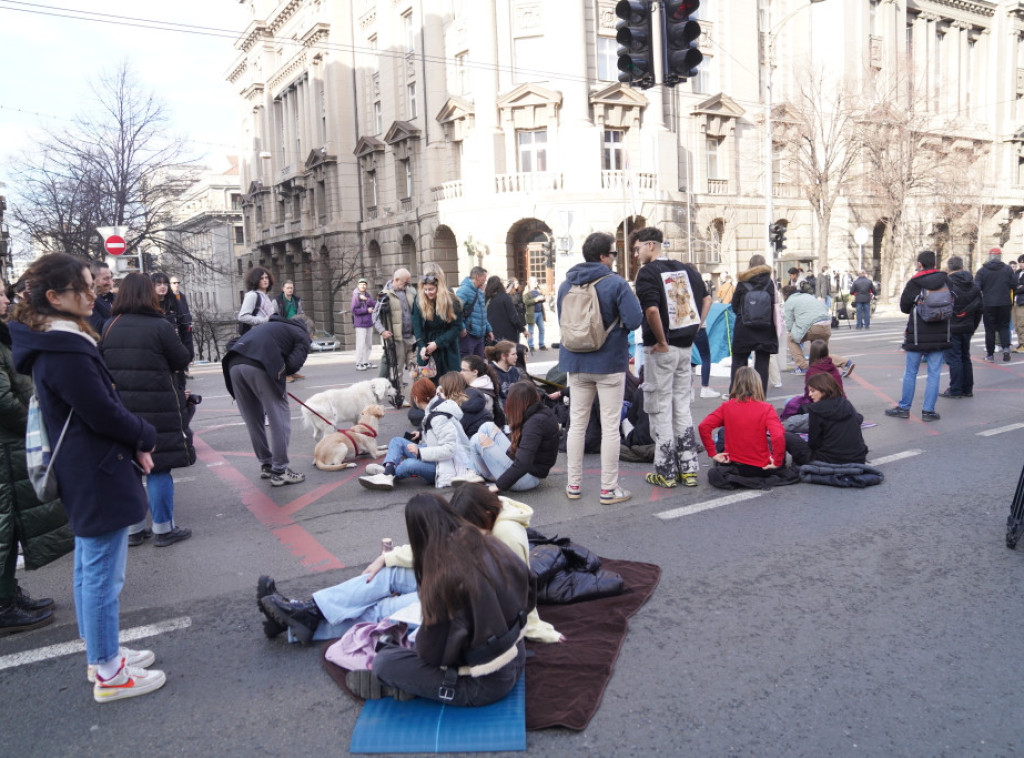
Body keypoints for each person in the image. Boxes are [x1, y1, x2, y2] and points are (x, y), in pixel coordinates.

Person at [10, 253, 166, 702]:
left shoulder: (55, 338)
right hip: (95, 468)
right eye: (84, 285)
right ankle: (108, 672)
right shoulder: (63, 346)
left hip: (87, 466)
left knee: (90, 568)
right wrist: (145, 435)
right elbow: (103, 410)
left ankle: (105, 655)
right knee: (101, 574)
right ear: (55, 297)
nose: (94, 290)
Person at [257, 484, 559, 646]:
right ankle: (306, 611)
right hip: (459, 580)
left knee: (384, 610)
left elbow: (520, 589)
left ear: (484, 517)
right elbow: (446, 550)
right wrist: (387, 557)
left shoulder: (506, 532)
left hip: (471, 601)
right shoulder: (489, 520)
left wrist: (533, 628)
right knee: (386, 575)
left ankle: (295, 625)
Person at [346, 493, 534, 705]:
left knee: (384, 662)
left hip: (487, 683)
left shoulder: (445, 576)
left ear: (418, 534)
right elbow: (529, 590)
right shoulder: (490, 541)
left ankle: (408, 684)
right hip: (518, 654)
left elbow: (432, 655)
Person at [0, 275, 73, 636]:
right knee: (3, 529)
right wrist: (34, 414)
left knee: (10, 528)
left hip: (9, 452)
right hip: (4, 449)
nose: (5, 300)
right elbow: (5, 403)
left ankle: (9, 597)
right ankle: (3, 607)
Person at [101, 273, 195, 548]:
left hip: (122, 406)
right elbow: (181, 359)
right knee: (159, 467)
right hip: (158, 406)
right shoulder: (160, 325)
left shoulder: (109, 325)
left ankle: (133, 529)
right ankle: (164, 528)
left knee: (130, 468)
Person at [557, 231, 643, 506]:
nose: (615, 259)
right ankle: (608, 489)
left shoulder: (565, 284)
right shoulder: (615, 283)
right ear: (604, 257)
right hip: (608, 363)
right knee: (609, 427)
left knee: (576, 426)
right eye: (614, 254)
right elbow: (634, 319)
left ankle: (573, 484)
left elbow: (563, 319)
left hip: (575, 362)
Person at [632, 225, 710, 489]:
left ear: (650, 245)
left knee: (660, 407)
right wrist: (696, 326)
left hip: (660, 348)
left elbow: (651, 310)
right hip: (685, 346)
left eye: (637, 247)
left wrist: (662, 340)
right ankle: (688, 468)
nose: (636, 254)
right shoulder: (687, 270)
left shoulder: (648, 273)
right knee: (682, 406)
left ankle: (665, 470)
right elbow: (707, 299)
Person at [222, 313, 314, 485]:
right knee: (279, 417)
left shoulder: (269, 326)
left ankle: (266, 464)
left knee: (253, 420)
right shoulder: (301, 333)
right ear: (310, 332)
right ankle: (279, 470)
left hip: (233, 364)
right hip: (260, 366)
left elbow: (231, 344)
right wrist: (277, 373)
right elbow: (293, 365)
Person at [358, 377, 474, 491]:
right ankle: (388, 472)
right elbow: (437, 436)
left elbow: (450, 450)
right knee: (397, 441)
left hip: (447, 467)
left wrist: (420, 452)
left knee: (409, 464)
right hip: (439, 458)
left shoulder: (439, 417)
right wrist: (421, 434)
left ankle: (388, 472)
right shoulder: (436, 407)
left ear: (416, 399)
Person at [885, 250, 950, 422]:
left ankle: (904, 408)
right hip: (940, 333)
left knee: (911, 372)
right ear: (934, 264)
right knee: (934, 373)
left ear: (919, 264)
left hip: (917, 333)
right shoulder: (945, 280)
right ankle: (928, 411)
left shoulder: (915, 282)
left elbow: (905, 307)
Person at [697, 366, 787, 487]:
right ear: (757, 384)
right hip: (760, 468)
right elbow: (778, 436)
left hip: (735, 465)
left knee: (723, 434)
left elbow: (704, 426)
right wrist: (777, 461)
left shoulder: (727, 407)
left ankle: (735, 479)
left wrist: (713, 453)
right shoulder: (766, 408)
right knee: (777, 449)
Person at [469, 381, 559, 492]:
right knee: (487, 427)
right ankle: (475, 472)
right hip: (530, 470)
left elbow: (523, 464)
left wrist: (497, 487)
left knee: (477, 439)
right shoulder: (541, 411)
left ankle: (479, 474)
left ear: (516, 403)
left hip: (527, 479)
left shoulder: (534, 424)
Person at [785, 373, 868, 467]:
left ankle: (778, 467)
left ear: (823, 390)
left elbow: (814, 443)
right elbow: (858, 419)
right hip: (858, 458)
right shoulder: (845, 403)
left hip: (828, 460)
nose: (810, 394)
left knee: (786, 436)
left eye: (812, 391)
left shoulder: (815, 409)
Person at [730, 254, 778, 396]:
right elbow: (773, 304)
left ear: (750, 265)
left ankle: (737, 395)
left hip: (744, 329)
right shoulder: (770, 283)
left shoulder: (742, 282)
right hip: (765, 329)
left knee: (739, 362)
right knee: (762, 365)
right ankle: (759, 396)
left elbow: (734, 306)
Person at [781, 285, 852, 376]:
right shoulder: (808, 296)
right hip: (826, 324)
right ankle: (845, 363)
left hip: (813, 326)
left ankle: (803, 367)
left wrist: (796, 331)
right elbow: (825, 308)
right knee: (820, 354)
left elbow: (789, 325)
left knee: (791, 338)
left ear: (785, 295)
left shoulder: (789, 302)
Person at [941, 256, 982, 399]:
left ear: (948, 269)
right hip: (968, 326)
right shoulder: (974, 284)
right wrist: (974, 327)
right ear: (963, 267)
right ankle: (968, 389)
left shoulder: (946, 284)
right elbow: (979, 308)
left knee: (954, 359)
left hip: (951, 327)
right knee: (966, 357)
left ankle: (956, 389)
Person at [373, 268, 417, 400]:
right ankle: (399, 396)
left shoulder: (410, 291)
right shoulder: (384, 294)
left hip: (411, 337)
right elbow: (375, 315)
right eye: (405, 282)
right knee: (397, 371)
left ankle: (417, 395)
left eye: (408, 282)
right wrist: (382, 331)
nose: (407, 285)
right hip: (396, 339)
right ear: (396, 280)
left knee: (415, 367)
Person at [411, 271, 463, 379]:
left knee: (451, 381)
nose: (427, 292)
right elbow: (417, 326)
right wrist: (421, 347)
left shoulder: (452, 301)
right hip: (427, 346)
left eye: (431, 289)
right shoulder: (419, 301)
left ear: (439, 288)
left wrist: (437, 343)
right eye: (425, 289)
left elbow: (457, 327)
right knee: (427, 383)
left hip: (447, 346)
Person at [150, 272, 195, 391]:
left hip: (175, 352)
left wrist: (187, 355)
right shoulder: (148, 305)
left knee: (179, 387)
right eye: (158, 284)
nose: (162, 286)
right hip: (157, 355)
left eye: (165, 283)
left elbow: (186, 329)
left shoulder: (174, 302)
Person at [974, 247, 1016, 363]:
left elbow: (976, 287)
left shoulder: (982, 271)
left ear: (989, 256)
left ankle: (990, 354)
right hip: (1005, 303)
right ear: (1000, 256)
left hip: (988, 303)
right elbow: (1014, 285)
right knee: (1004, 326)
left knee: (990, 329)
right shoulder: (1007, 270)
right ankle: (1006, 348)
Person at [456, 266, 492, 359]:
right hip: (468, 336)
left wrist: (488, 330)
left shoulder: (479, 292)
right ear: (477, 277)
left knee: (479, 364)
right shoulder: (463, 291)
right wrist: (462, 328)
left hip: (479, 336)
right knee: (467, 364)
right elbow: (455, 311)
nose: (485, 280)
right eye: (484, 277)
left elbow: (482, 314)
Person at [460, 354, 505, 428]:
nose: (461, 373)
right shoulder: (482, 387)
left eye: (464, 370)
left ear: (475, 372)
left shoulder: (479, 394)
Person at [485, 275, 524, 344]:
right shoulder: (504, 297)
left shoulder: (486, 298)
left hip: (491, 332)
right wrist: (522, 329)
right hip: (507, 333)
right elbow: (513, 316)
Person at [237, 266, 277, 334]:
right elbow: (242, 317)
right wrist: (264, 320)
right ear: (255, 280)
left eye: (266, 277)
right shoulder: (252, 295)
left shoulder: (268, 297)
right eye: (261, 278)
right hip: (257, 335)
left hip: (269, 333)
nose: (265, 280)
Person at [351, 278, 377, 371]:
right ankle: (359, 363)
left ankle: (365, 361)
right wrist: (367, 310)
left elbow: (374, 304)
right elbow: (354, 310)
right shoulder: (356, 296)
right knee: (360, 344)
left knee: (368, 344)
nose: (363, 286)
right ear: (358, 285)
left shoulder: (366, 295)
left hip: (369, 323)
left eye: (365, 284)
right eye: (361, 284)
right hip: (360, 324)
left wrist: (366, 299)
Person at [485, 340, 521, 406]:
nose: (516, 357)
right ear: (503, 356)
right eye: (513, 354)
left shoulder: (515, 370)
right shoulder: (490, 372)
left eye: (516, 354)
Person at [87, 260, 114, 334]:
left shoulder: (116, 297)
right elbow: (97, 326)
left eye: (110, 278)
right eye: (105, 279)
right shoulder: (88, 302)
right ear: (93, 280)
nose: (109, 282)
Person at [523, 276, 547, 351]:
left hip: (540, 312)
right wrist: (537, 299)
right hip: (532, 314)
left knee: (542, 329)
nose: (536, 283)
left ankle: (542, 345)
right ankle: (531, 345)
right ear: (529, 282)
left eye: (537, 281)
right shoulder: (526, 292)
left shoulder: (538, 290)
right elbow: (526, 302)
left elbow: (542, 299)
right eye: (535, 282)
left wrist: (543, 298)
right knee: (531, 331)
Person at [1015, 254, 1024, 352]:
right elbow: (1013, 285)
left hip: (1022, 301)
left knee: (1022, 323)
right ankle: (1020, 343)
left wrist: (1019, 288)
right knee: (1016, 324)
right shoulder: (1017, 273)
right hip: (1015, 301)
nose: (1021, 264)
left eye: (1022, 262)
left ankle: (1023, 344)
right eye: (1020, 262)